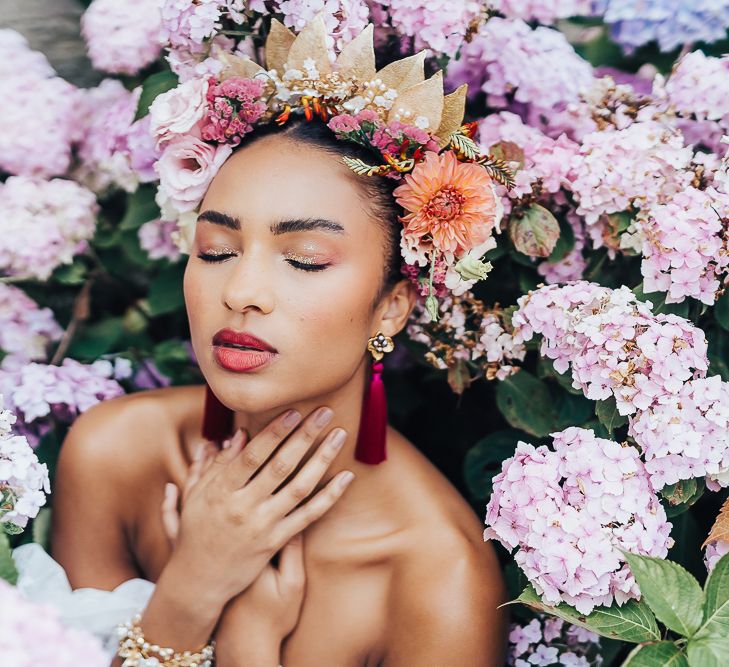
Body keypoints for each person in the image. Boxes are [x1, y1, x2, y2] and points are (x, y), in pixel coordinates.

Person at [46, 17, 509, 667]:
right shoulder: (115, 456)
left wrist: (247, 643)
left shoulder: (436, 578)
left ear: (391, 307)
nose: (242, 290)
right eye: (217, 249)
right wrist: (190, 588)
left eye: (305, 259)